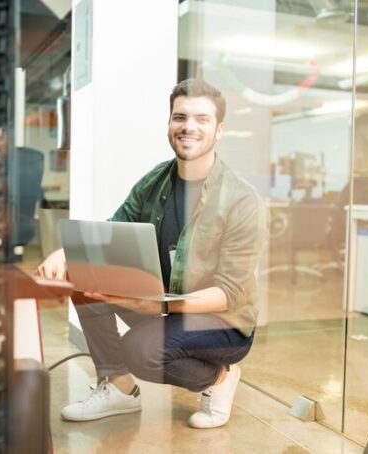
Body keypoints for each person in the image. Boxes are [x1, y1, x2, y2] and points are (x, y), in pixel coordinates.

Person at [37, 78, 268, 429]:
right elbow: (110, 235)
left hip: (224, 322)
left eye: (202, 119)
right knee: (82, 275)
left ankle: (219, 379)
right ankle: (120, 388)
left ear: (219, 130)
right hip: (165, 305)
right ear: (170, 123)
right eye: (180, 117)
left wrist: (159, 306)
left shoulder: (242, 200)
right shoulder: (154, 182)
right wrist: (66, 253)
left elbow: (229, 293)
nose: (188, 126)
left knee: (142, 350)